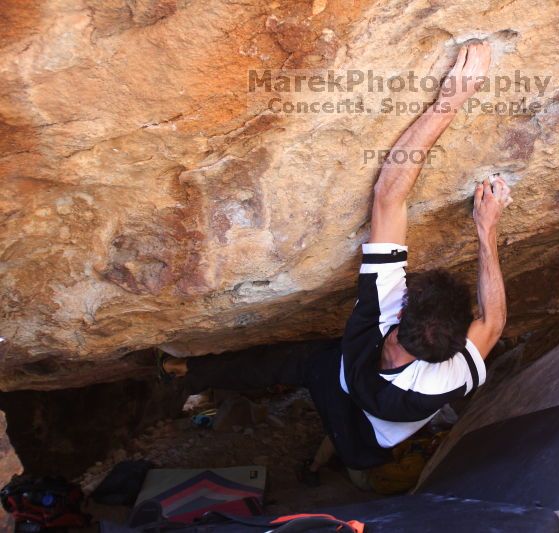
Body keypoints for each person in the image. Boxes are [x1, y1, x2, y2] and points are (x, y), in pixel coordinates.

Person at [158, 40, 512, 487]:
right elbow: (494, 322)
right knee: (300, 363)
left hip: (361, 434)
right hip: (361, 393)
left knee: (301, 364)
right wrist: (486, 229)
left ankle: (190, 374)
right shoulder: (447, 376)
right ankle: (189, 375)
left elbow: (388, 197)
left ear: (401, 313)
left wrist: (451, 99)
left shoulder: (383, 308)